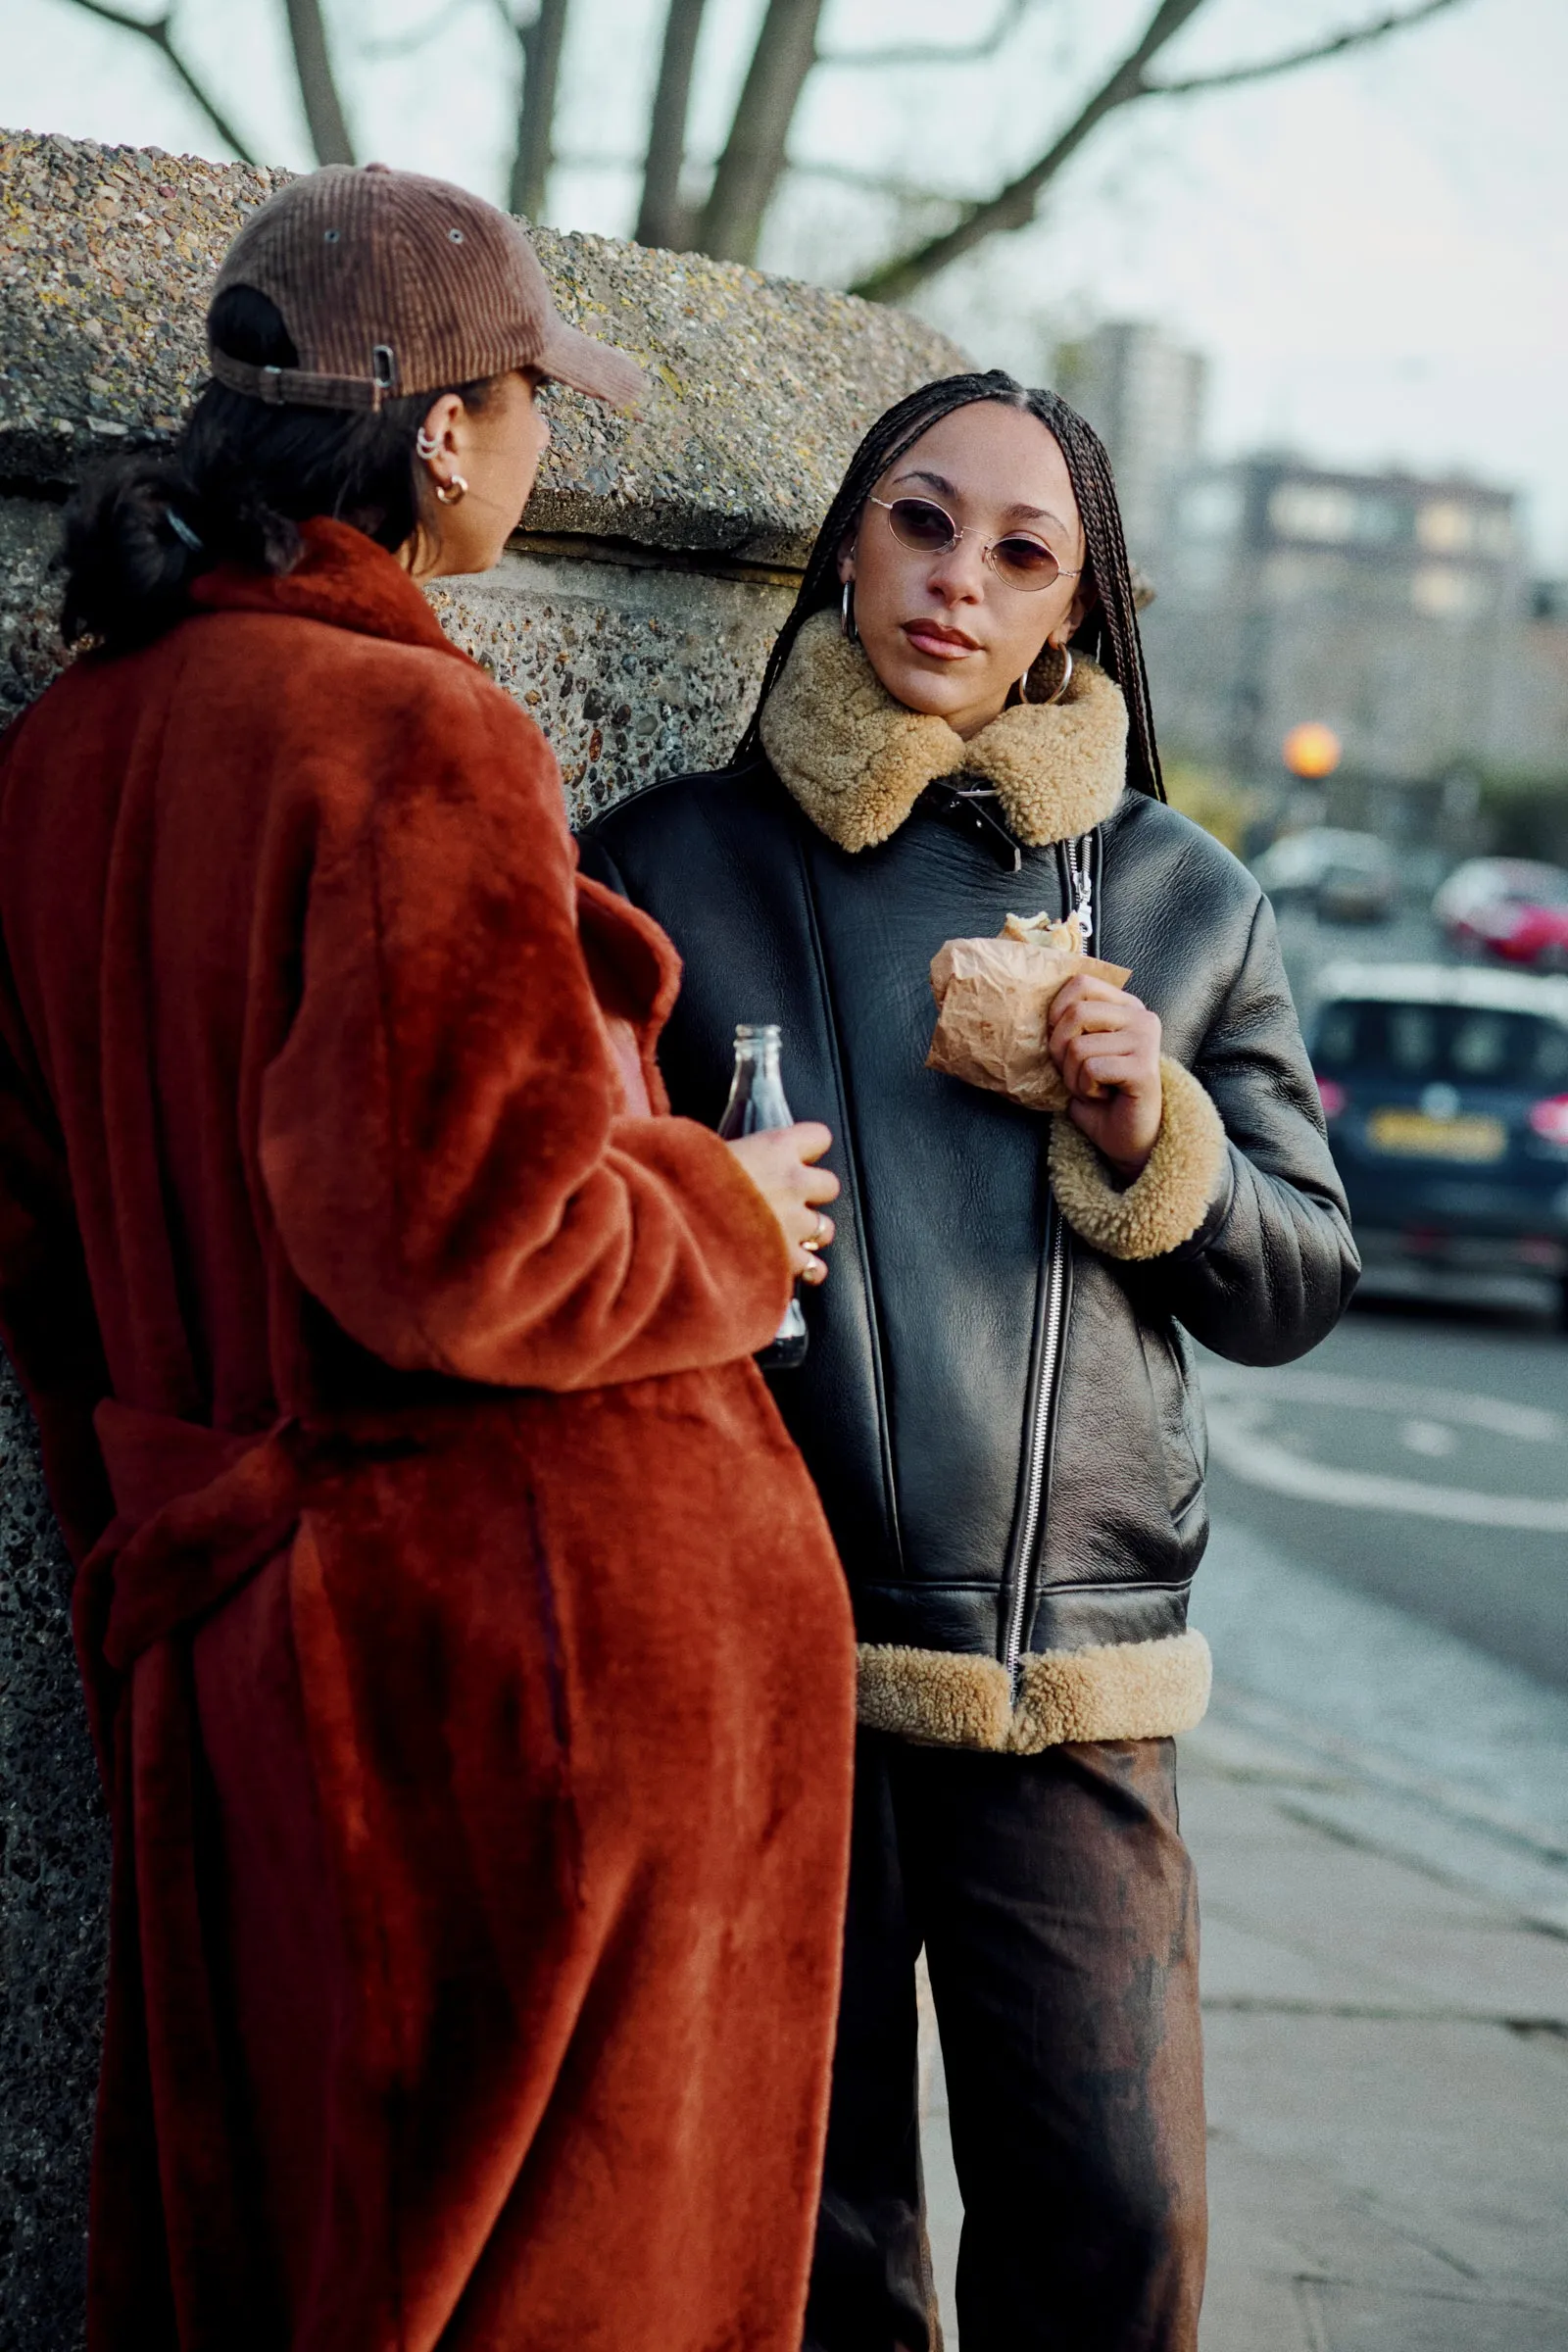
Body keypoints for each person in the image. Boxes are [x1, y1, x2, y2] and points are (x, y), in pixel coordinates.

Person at [0, 165, 856, 2352]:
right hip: (503, 1672)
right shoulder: (412, 731)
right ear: (447, 433)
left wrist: (147, 1568)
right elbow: (473, 1248)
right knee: (549, 2274)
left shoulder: (72, 744)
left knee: (295, 2254)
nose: (548, 443)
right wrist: (729, 1220)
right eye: (531, 399)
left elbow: (44, 1249)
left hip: (247, 1629)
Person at [579, 369, 1359, 2352]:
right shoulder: (662, 865)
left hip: (1063, 1688)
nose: (954, 582)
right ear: (851, 535)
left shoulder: (1184, 899)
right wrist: (702, 1212)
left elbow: (1294, 1281)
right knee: (811, 2252)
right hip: (760, 1669)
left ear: (1073, 615)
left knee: (1113, 2233)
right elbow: (548, 1244)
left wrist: (1146, 1133)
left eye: (1019, 556)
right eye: (921, 523)